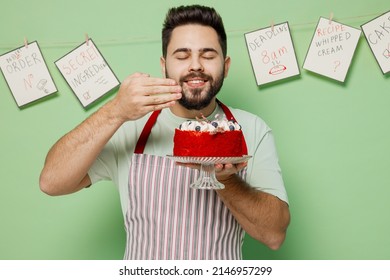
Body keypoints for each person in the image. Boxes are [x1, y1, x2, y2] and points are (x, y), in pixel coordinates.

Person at [39, 4, 290, 260]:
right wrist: (115, 110)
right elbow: (51, 182)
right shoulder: (130, 126)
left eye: (208, 55)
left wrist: (226, 180)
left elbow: (274, 235)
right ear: (164, 65)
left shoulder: (251, 129)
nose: (195, 66)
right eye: (182, 56)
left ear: (225, 66)